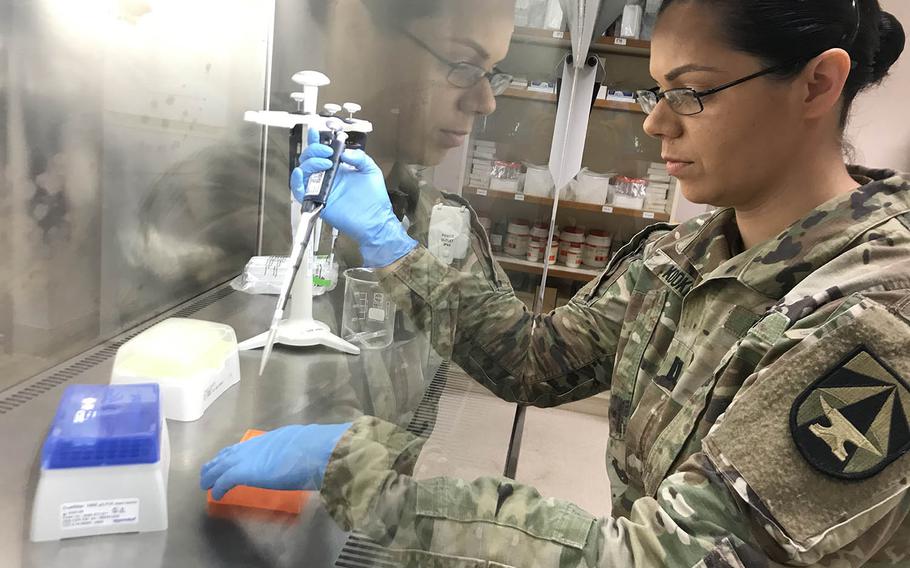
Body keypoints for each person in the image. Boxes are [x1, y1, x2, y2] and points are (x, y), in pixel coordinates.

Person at [203, 0, 910, 566]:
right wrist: (392, 246)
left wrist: (365, 475)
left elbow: (669, 558)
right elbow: (537, 359)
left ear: (817, 83)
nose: (656, 122)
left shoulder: (874, 320)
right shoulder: (685, 257)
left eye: (691, 92)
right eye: (658, 91)